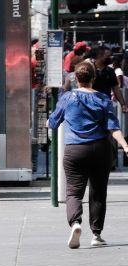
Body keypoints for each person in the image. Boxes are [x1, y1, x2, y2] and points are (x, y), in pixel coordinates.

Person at [48, 61, 128, 248]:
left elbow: (53, 122)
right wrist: (124, 145)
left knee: (74, 192)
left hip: (75, 150)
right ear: (94, 78)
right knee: (98, 193)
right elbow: (112, 127)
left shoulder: (67, 98)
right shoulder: (102, 99)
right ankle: (96, 235)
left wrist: (49, 123)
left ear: (76, 78)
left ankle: (75, 223)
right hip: (101, 149)